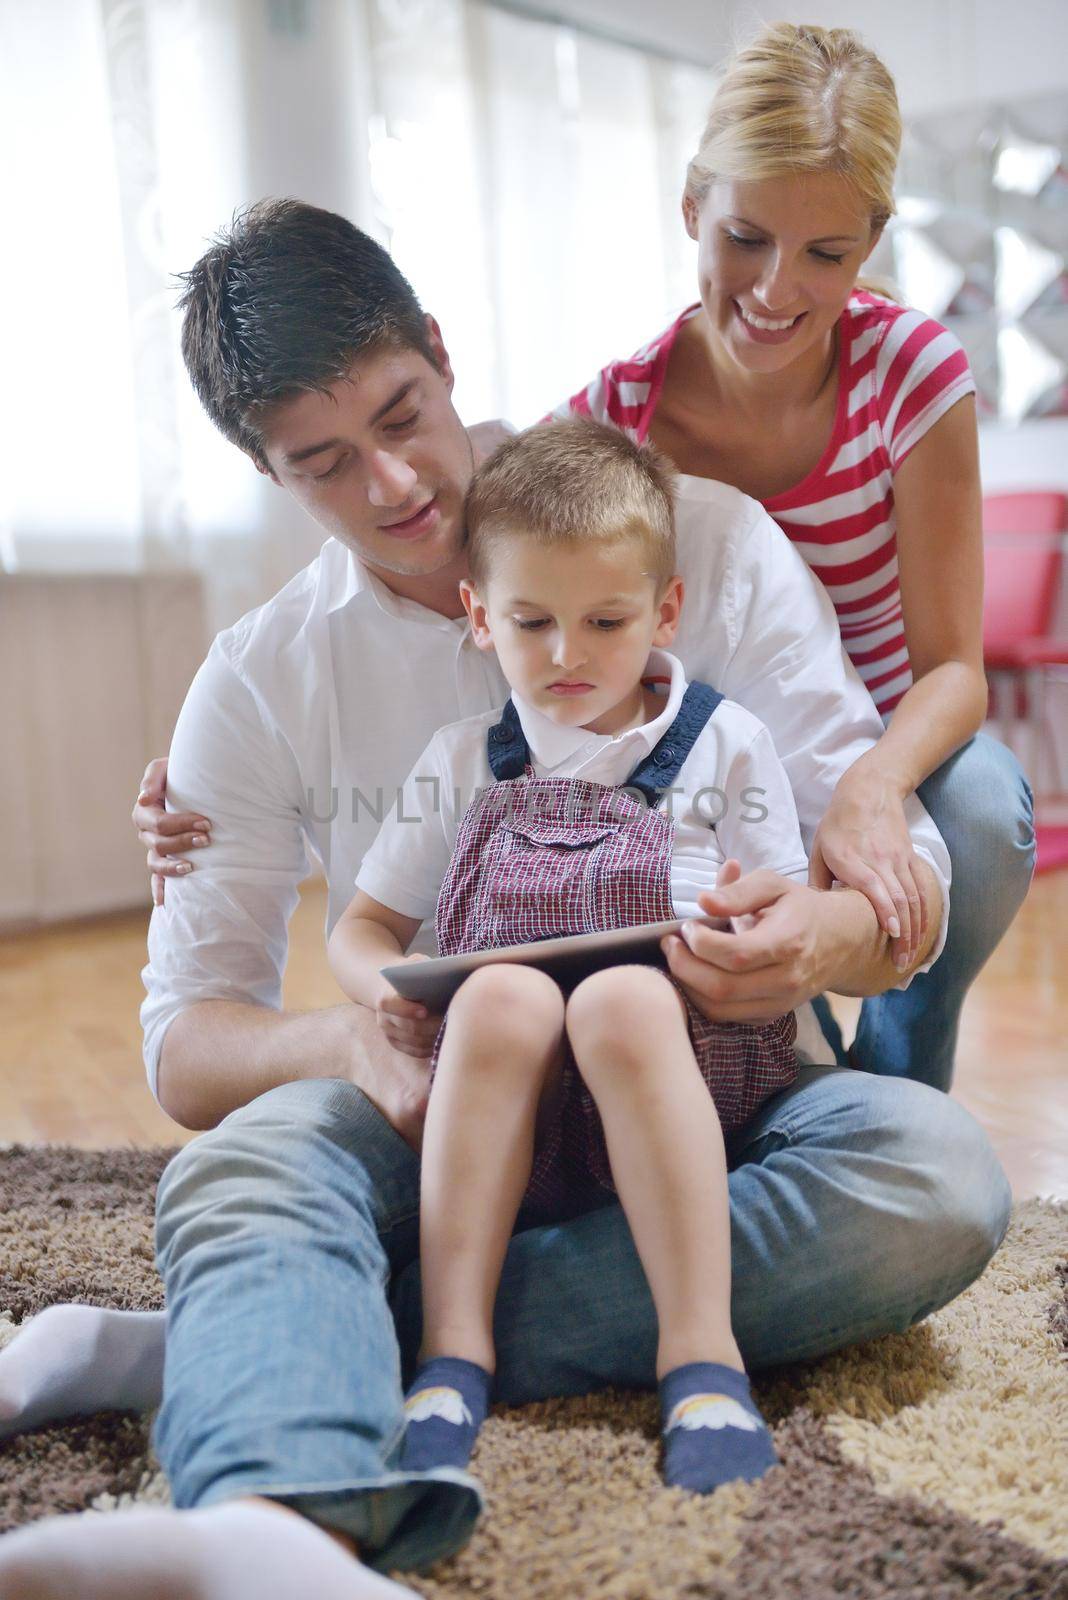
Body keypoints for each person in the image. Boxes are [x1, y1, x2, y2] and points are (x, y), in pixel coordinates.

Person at [0, 196, 1010, 1600]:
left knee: (937, 1181)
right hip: (450, 1100)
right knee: (246, 1168)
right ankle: (277, 1516)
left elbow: (891, 864)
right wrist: (343, 1038)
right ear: (264, 473)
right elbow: (187, 1041)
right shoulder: (261, 675)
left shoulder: (694, 541)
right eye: (325, 465)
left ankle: (289, 1327)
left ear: (441, 348)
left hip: (716, 1092)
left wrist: (811, 944)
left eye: (403, 415)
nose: (397, 488)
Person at [550, 21, 1035, 1091]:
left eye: (826, 254)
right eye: (744, 238)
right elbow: (473, 590)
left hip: (890, 753)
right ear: (691, 209)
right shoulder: (617, 413)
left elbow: (952, 668)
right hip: (700, 781)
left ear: (871, 245)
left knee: (988, 811)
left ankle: (899, 1089)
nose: (775, 291)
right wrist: (212, 760)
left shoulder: (911, 373)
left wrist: (874, 779)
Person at [329, 417, 809, 1495]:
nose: (565, 655)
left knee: (625, 1002)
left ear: (665, 611)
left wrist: (753, 920)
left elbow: (786, 898)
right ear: (478, 616)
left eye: (605, 621)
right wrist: (385, 998)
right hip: (516, 1107)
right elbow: (359, 930)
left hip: (685, 1074)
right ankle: (454, 1356)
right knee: (499, 996)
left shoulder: (723, 743)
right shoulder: (464, 761)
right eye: (531, 621)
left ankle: (700, 1357)